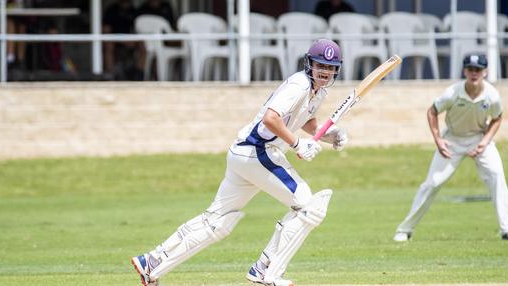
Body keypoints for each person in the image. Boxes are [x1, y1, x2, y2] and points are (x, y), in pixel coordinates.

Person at [130, 39, 348, 286]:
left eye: (330, 68)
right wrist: (297, 145)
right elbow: (270, 118)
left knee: (217, 222)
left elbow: (306, 121)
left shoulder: (318, 92)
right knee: (309, 206)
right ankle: (266, 270)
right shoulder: (299, 85)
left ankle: (153, 261)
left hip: (244, 154)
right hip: (259, 151)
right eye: (321, 65)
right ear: (310, 64)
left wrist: (332, 135)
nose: (325, 71)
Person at [393, 54, 508, 242]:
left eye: (478, 70)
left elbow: (497, 118)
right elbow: (432, 111)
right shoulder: (452, 93)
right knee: (432, 183)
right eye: (470, 69)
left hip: (479, 138)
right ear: (464, 71)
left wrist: (485, 142)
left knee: (496, 175)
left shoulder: (492, 95)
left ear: (485, 72)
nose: (474, 73)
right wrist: (438, 139)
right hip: (452, 140)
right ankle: (405, 230)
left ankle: (507, 229)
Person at [8, 0, 44, 70]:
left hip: (36, 23)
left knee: (22, 27)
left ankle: (19, 61)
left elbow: (43, 5)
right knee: (11, 24)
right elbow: (9, 5)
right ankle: (10, 59)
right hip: (17, 20)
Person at [102, 0, 146, 80]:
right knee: (108, 44)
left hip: (129, 39)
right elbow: (106, 31)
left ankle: (138, 75)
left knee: (142, 44)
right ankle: (110, 75)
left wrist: (131, 38)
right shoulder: (111, 10)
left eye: (128, 0)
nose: (126, 2)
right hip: (114, 39)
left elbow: (137, 30)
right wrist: (121, 39)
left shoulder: (133, 11)